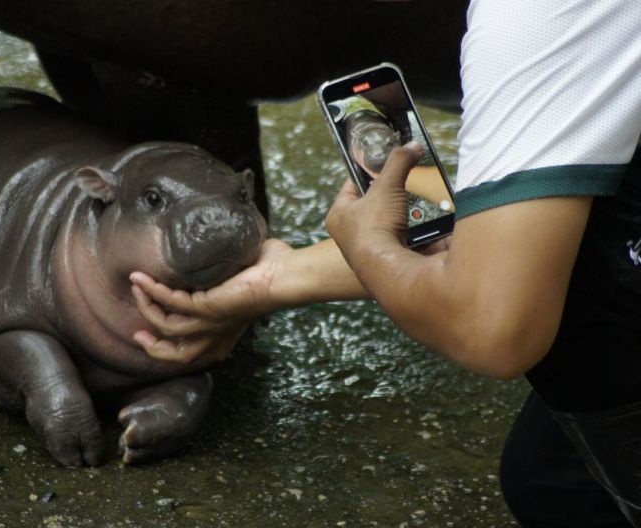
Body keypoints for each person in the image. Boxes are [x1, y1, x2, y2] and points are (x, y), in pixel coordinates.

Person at [129, 0, 641, 525]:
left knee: (571, 470)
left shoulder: (536, 21)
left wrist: (370, 246)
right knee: (545, 474)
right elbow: (515, 237)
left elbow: (490, 326)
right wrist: (276, 278)